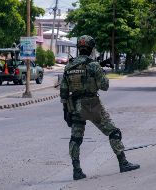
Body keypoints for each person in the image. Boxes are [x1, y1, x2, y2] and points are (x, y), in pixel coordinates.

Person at [60, 35, 140, 180]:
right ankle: (123, 163)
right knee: (114, 132)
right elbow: (105, 86)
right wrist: (100, 71)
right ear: (91, 49)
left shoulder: (69, 66)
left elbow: (64, 92)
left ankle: (76, 171)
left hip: (75, 106)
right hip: (92, 105)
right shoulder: (93, 65)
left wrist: (66, 111)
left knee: (75, 139)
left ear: (79, 48)